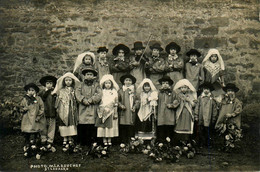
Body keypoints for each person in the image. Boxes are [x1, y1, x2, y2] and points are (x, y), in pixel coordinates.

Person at [52, 72, 79, 152]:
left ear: (72, 81)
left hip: (71, 109)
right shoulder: (61, 91)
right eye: (66, 80)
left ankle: (70, 138)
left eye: (69, 80)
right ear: (64, 82)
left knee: (70, 122)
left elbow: (76, 99)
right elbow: (58, 100)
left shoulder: (74, 90)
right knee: (63, 123)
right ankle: (64, 138)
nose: (68, 82)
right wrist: (57, 107)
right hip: (63, 109)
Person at [75, 68, 102, 148]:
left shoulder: (97, 85)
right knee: (82, 124)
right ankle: (82, 141)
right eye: (87, 75)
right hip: (83, 106)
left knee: (92, 124)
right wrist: (83, 100)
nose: (89, 76)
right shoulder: (80, 84)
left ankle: (92, 141)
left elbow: (99, 94)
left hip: (92, 106)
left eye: (91, 75)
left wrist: (91, 100)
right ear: (84, 76)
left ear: (94, 76)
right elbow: (77, 93)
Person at [215, 83, 243, 150]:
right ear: (226, 92)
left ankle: (230, 146)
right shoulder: (224, 100)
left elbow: (239, 110)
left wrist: (232, 114)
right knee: (224, 133)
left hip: (232, 121)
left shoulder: (236, 101)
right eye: (228, 91)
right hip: (224, 120)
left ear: (234, 92)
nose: (230, 92)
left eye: (232, 91)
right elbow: (219, 106)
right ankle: (225, 145)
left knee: (231, 133)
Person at [20, 83, 45, 153]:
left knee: (35, 131)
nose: (31, 92)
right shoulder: (25, 99)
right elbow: (22, 106)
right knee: (27, 131)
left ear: (36, 91)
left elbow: (42, 107)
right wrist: (23, 109)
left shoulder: (38, 99)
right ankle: (27, 143)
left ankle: (35, 143)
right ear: (27, 91)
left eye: (33, 90)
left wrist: (39, 116)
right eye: (29, 90)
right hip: (27, 118)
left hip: (35, 118)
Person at [95, 74, 119, 146]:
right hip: (102, 110)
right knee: (103, 125)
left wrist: (115, 112)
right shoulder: (102, 91)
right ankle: (104, 139)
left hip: (111, 110)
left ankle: (109, 139)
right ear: (103, 84)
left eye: (109, 83)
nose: (107, 85)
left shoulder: (114, 91)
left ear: (111, 84)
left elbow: (116, 102)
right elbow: (99, 100)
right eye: (106, 83)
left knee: (110, 126)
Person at [194, 83, 218, 148]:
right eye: (205, 89)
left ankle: (208, 143)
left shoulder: (212, 99)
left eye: (207, 89)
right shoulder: (200, 98)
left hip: (208, 117)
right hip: (201, 116)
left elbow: (214, 109)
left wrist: (214, 117)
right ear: (203, 90)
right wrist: (196, 115)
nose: (206, 91)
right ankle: (200, 143)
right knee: (200, 131)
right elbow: (197, 107)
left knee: (208, 131)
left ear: (210, 90)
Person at [173, 79, 197, 143]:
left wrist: (189, 100)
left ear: (188, 88)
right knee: (179, 124)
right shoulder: (178, 95)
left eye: (185, 87)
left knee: (187, 124)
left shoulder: (190, 95)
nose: (183, 89)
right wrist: (176, 102)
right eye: (182, 87)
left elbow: (194, 104)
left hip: (187, 111)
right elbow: (175, 103)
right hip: (180, 111)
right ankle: (179, 139)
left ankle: (186, 139)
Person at [157, 75, 179, 143]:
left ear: (169, 84)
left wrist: (172, 105)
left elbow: (177, 101)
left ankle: (169, 144)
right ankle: (161, 144)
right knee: (161, 130)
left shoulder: (173, 93)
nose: (165, 85)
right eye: (163, 83)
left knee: (169, 130)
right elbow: (155, 102)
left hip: (170, 115)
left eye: (166, 83)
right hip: (161, 114)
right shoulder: (159, 93)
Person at [118, 74, 139, 144]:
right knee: (123, 126)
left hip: (131, 111)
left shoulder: (134, 91)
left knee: (131, 126)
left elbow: (137, 100)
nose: (128, 82)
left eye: (130, 80)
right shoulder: (121, 91)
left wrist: (135, 106)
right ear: (124, 82)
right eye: (126, 80)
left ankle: (131, 141)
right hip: (123, 111)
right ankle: (123, 141)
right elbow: (117, 100)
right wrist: (121, 105)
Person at [39, 75, 57, 151]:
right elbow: (41, 99)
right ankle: (43, 139)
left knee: (51, 126)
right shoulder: (42, 92)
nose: (49, 85)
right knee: (43, 126)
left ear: (53, 84)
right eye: (47, 83)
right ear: (45, 85)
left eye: (50, 83)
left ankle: (50, 141)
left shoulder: (54, 92)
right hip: (44, 112)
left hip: (52, 112)